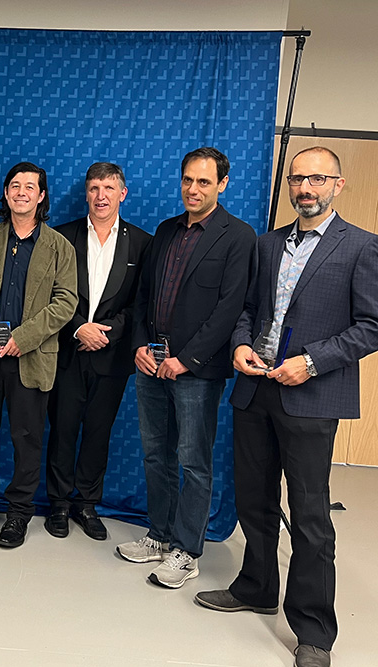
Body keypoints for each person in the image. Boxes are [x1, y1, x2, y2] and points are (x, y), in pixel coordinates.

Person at [195, 147, 378, 667]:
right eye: (298, 178)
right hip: (257, 387)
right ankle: (255, 585)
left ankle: (315, 629)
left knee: (311, 516)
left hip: (311, 393)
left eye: (318, 178)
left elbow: (372, 326)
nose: (306, 187)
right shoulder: (268, 243)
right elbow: (249, 310)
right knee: (253, 499)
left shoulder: (363, 247)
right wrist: (239, 344)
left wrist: (312, 362)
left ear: (338, 185)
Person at [119, 147, 255, 588]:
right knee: (156, 454)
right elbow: (142, 297)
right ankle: (158, 536)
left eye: (203, 182)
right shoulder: (165, 231)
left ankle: (187, 550)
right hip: (151, 363)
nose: (193, 190)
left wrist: (187, 359)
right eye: (187, 181)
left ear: (222, 184)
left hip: (197, 370)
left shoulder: (238, 236)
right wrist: (140, 345)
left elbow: (230, 309)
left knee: (193, 461)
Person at [0, 161, 77, 548]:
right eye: (15, 185)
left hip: (31, 356)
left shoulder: (60, 246)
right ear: (6, 194)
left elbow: (66, 302)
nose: (21, 192)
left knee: (27, 439)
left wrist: (23, 337)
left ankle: (19, 514)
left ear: (42, 196)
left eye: (30, 186)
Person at [45, 163, 151, 541]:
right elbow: (48, 294)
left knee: (98, 432)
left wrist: (107, 332)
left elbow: (142, 302)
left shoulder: (142, 242)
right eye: (93, 188)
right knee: (62, 429)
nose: (100, 195)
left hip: (112, 353)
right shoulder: (61, 236)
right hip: (67, 350)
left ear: (122, 193)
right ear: (86, 194)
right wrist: (78, 327)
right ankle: (57, 504)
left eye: (109, 188)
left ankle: (87, 504)